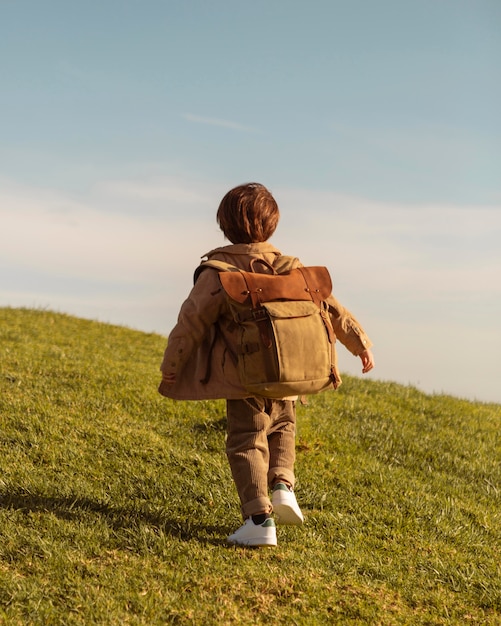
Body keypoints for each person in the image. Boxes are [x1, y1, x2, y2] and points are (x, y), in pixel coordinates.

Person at [159, 183, 374, 547]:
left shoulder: (220, 272)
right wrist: (361, 344)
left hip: (246, 378)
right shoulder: (292, 268)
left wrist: (172, 363)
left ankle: (259, 520)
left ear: (225, 225)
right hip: (289, 374)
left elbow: (191, 322)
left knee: (246, 440)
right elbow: (333, 310)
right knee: (283, 427)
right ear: (272, 225)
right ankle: (282, 487)